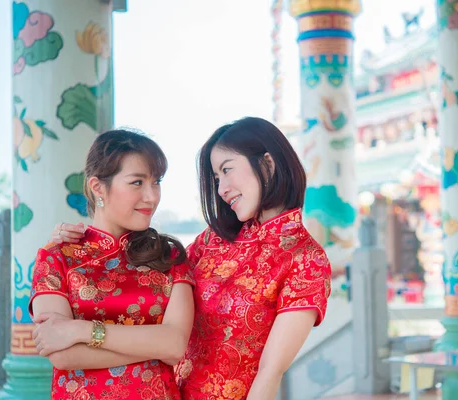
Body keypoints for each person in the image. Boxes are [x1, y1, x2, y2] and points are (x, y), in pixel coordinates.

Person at [52, 117, 332, 400]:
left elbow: (270, 373)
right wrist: (83, 244)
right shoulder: (213, 241)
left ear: (268, 164)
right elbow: (142, 283)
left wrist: (81, 332)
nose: (222, 189)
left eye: (227, 170)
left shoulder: (306, 259)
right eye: (216, 178)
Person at [30, 129, 195, 399]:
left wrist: (81, 330)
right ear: (98, 187)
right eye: (137, 183)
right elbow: (62, 354)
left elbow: (175, 346)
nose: (152, 196)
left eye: (156, 182)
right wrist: (154, 345)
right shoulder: (58, 256)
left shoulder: (169, 257)